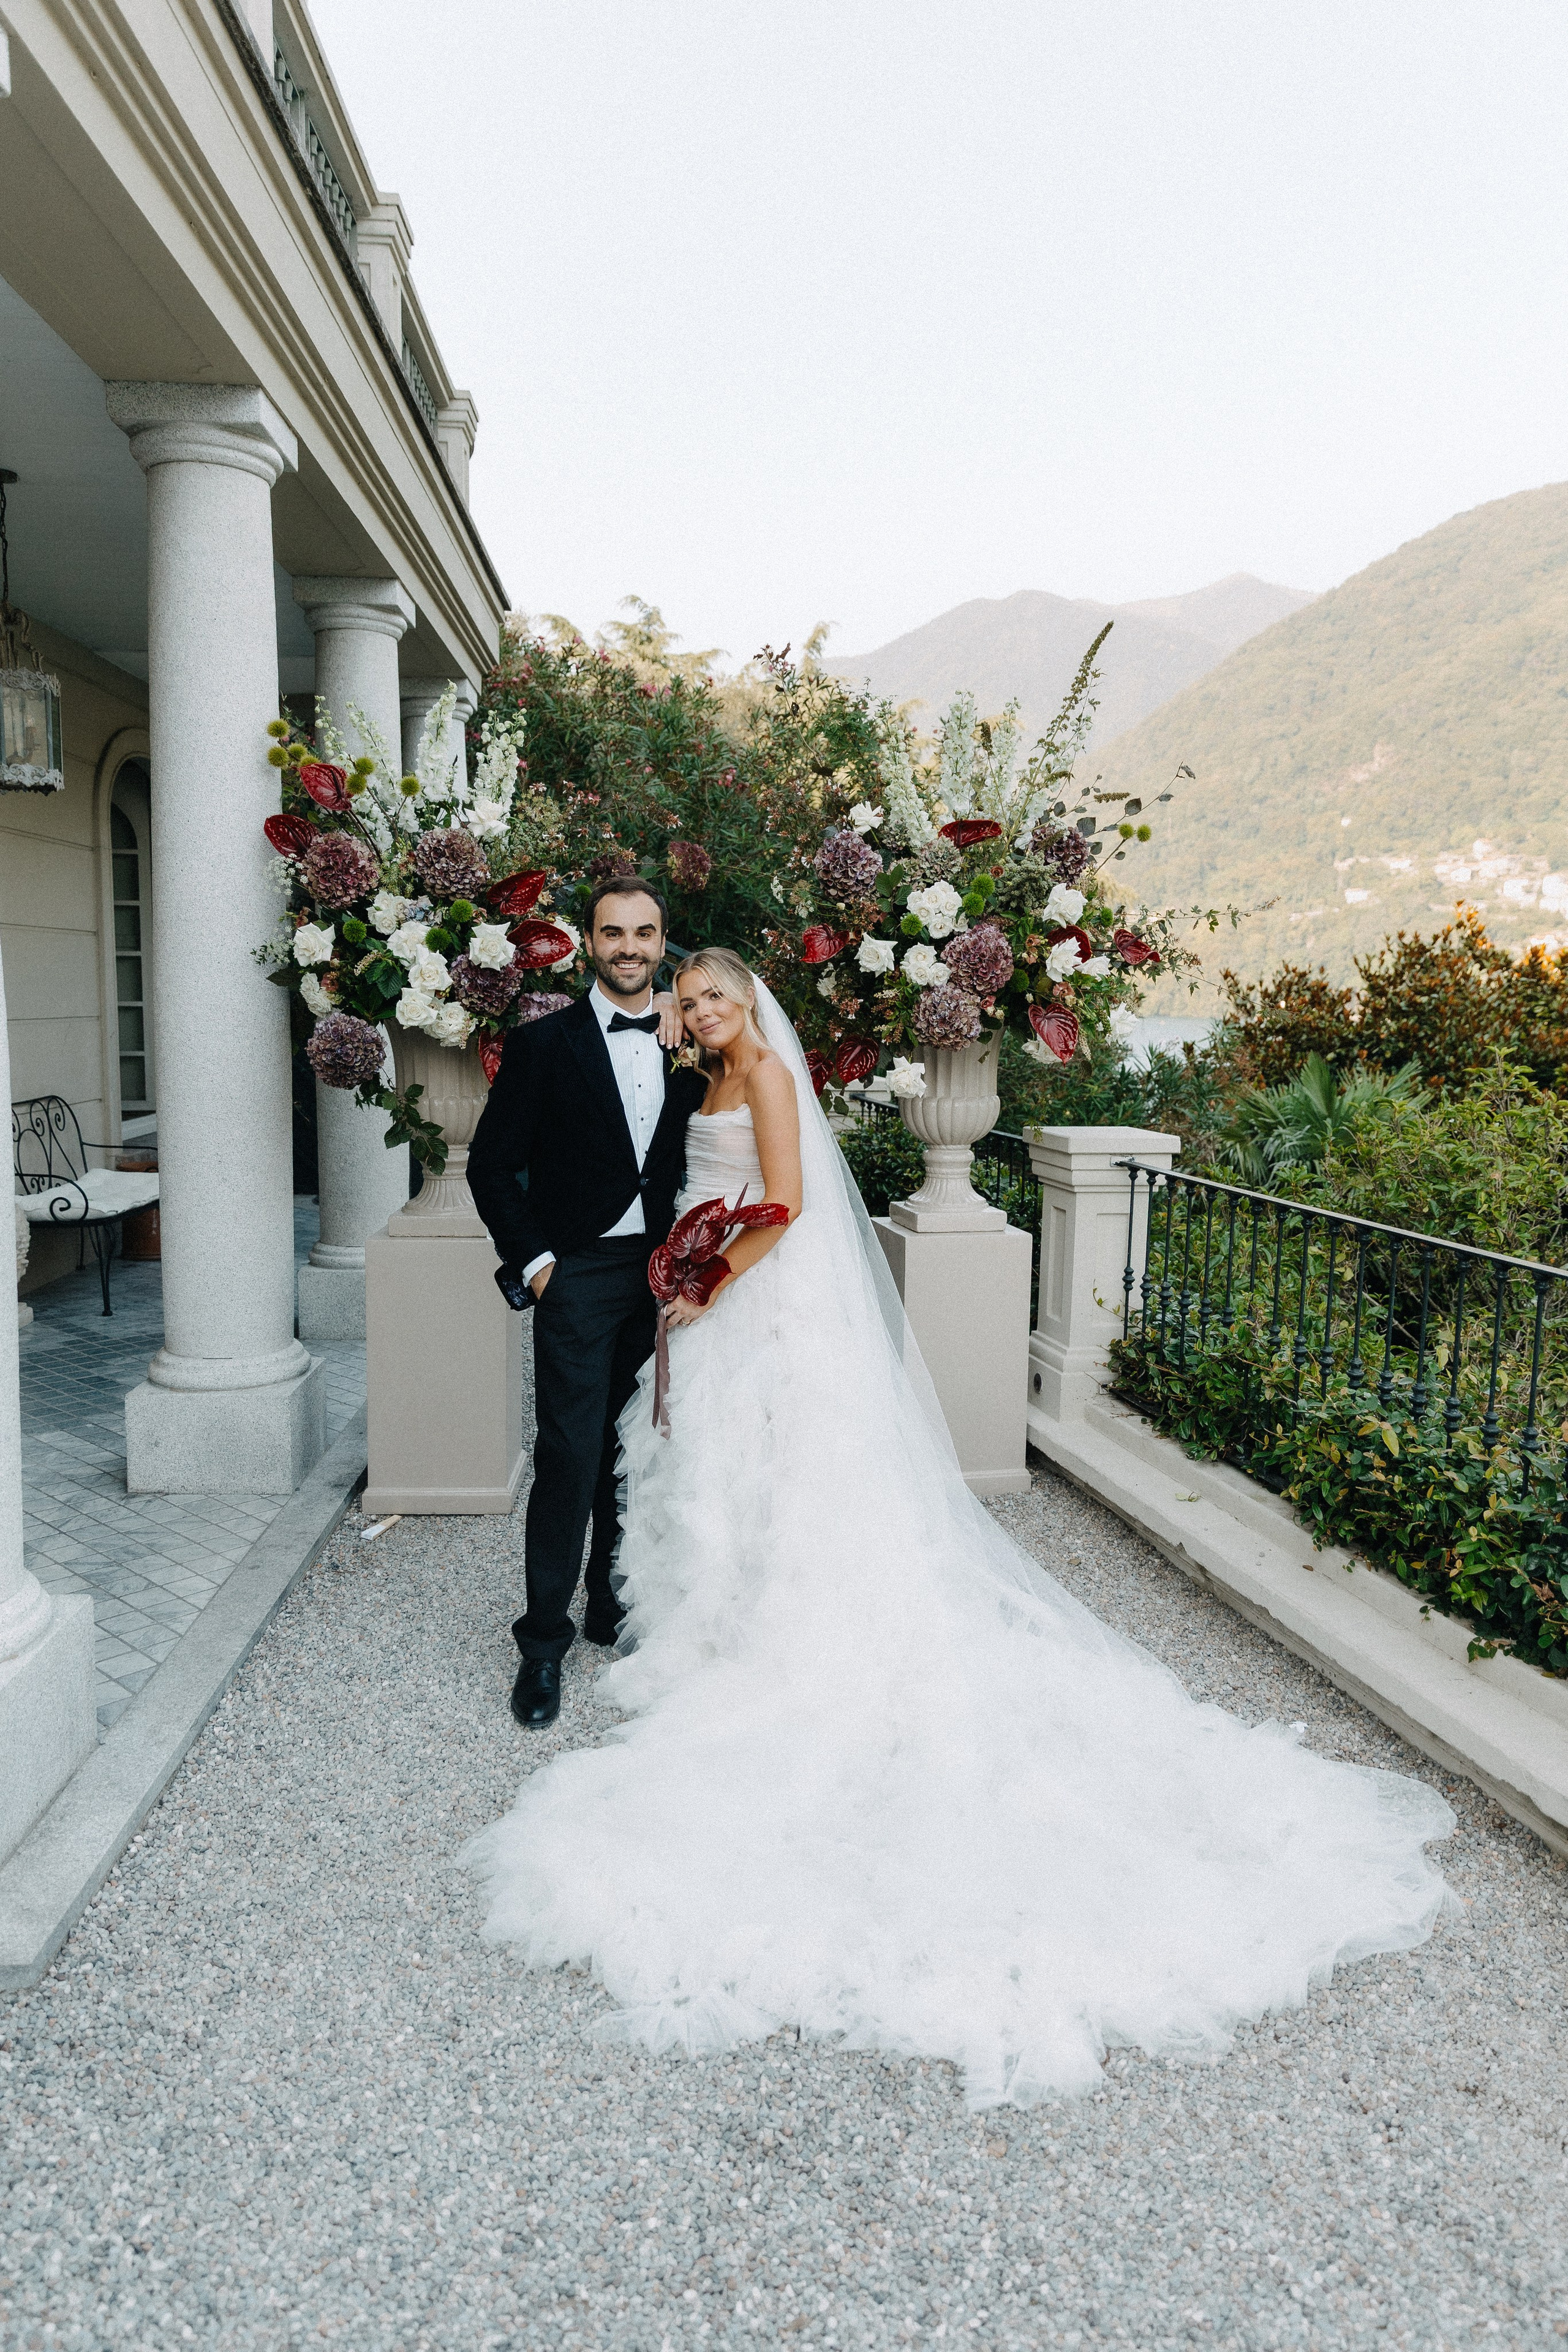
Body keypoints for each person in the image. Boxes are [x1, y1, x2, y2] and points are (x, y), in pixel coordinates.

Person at [466, 953, 1456, 2109]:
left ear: (746, 1006)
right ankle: (702, 1625)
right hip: (697, 1305)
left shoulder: (771, 1080)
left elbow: (782, 1205)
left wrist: (708, 1284)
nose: (698, 1014)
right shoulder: (701, 1085)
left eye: (715, 999)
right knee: (711, 1472)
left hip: (755, 1308)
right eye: (688, 1003)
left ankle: (786, 1642)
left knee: (785, 1472)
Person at [467, 881, 705, 1730]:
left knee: (633, 1447)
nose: (630, 946)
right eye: (614, 933)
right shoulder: (542, 1046)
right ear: (588, 944)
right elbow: (491, 1167)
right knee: (569, 1453)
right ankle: (541, 1643)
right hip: (577, 1272)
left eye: (645, 933)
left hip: (669, 1275)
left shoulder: (693, 1041)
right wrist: (536, 1265)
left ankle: (611, 1603)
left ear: (663, 943)